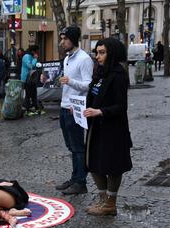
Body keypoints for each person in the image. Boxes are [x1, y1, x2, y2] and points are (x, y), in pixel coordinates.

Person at [83, 38, 132, 216]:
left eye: (102, 52)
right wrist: (80, 107)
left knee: (112, 166)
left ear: (112, 53)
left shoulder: (118, 75)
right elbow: (93, 97)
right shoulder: (100, 74)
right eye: (97, 52)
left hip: (112, 130)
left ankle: (111, 203)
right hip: (95, 128)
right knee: (93, 164)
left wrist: (100, 112)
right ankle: (103, 200)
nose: (98, 56)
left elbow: (121, 106)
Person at [55, 25, 94, 195]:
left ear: (73, 39)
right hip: (64, 106)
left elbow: (88, 85)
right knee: (71, 146)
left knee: (78, 147)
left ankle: (81, 182)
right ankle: (74, 177)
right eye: (61, 38)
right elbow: (66, 81)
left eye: (65, 39)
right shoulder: (67, 57)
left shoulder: (84, 59)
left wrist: (70, 81)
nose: (62, 41)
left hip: (75, 108)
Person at [20, 45, 40, 116]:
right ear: (33, 51)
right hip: (27, 79)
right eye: (36, 51)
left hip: (31, 78)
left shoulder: (30, 56)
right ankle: (27, 110)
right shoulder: (26, 56)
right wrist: (35, 59)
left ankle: (36, 108)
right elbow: (30, 66)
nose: (37, 52)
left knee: (34, 93)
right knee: (28, 94)